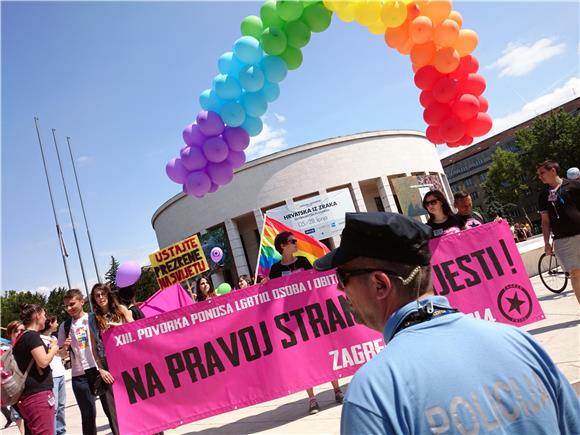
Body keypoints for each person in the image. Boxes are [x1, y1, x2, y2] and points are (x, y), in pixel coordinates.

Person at [313, 212, 580, 434]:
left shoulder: (374, 392)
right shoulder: (519, 342)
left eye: (343, 276)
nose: (339, 288)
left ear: (380, 284)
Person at [268, 231, 343, 414]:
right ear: (282, 246)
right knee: (304, 356)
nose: (296, 243)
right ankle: (312, 399)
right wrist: (264, 284)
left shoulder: (303, 262)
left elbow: (316, 280)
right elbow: (271, 296)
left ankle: (337, 389)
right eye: (292, 241)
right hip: (292, 318)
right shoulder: (275, 270)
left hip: (312, 313)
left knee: (325, 350)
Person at [90, 283, 133, 435]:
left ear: (108, 295)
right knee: (115, 411)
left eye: (103, 294)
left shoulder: (121, 310)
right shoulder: (93, 319)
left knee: (138, 403)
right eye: (97, 295)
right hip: (108, 367)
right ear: (94, 299)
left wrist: (119, 328)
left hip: (128, 361)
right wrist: (100, 369)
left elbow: (136, 329)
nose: (101, 297)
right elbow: (94, 348)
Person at [58, 289, 101, 435]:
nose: (69, 308)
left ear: (82, 301)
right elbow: (61, 355)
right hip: (79, 375)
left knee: (112, 409)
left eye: (72, 304)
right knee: (88, 415)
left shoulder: (93, 318)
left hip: (99, 370)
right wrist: (64, 347)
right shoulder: (65, 326)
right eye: (66, 306)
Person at [537, 160, 580, 304]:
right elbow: (545, 221)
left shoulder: (574, 186)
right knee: (575, 274)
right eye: (539, 174)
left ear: (553, 171)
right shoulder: (543, 196)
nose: (540, 176)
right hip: (562, 240)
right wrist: (546, 243)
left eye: (542, 173)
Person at [13, 304, 59, 434]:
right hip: (37, 396)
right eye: (44, 315)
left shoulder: (21, 337)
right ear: (37, 315)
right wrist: (53, 349)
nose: (45, 318)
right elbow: (43, 361)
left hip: (27, 396)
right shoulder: (32, 336)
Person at [40, 315, 66, 435]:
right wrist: (53, 347)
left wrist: (64, 347)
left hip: (60, 373)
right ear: (50, 323)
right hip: (51, 377)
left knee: (61, 406)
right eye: (56, 322)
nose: (57, 324)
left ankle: (61, 431)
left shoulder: (53, 337)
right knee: (53, 409)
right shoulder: (40, 339)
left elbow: (60, 355)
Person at [2, 321, 26, 433]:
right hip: (14, 393)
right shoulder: (6, 351)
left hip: (30, 392)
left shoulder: (29, 346)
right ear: (10, 334)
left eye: (22, 330)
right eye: (16, 331)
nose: (19, 333)